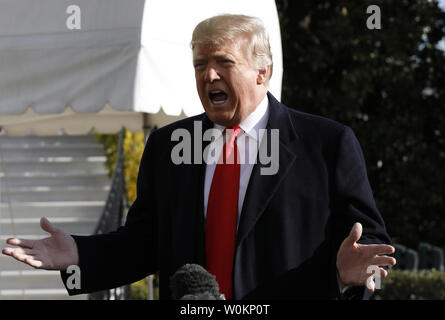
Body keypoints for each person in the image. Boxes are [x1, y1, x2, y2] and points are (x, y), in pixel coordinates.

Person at [2, 14, 395, 300]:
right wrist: (79, 255)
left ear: (263, 72)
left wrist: (344, 274)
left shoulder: (326, 144)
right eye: (200, 65)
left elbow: (368, 242)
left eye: (223, 62)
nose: (209, 76)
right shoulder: (167, 146)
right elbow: (144, 244)